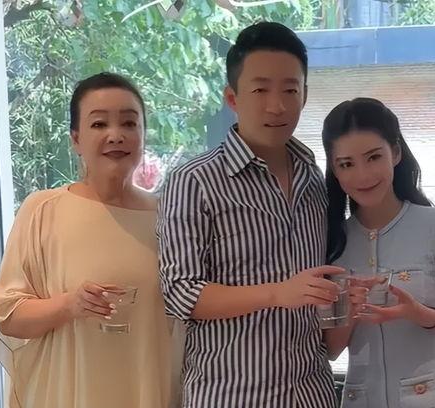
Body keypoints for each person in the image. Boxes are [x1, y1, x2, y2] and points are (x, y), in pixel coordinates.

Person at [157, 21, 362, 408]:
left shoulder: (313, 177)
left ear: (304, 95)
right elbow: (180, 293)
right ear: (232, 98)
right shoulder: (194, 180)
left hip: (311, 392)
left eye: (290, 90)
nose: (277, 105)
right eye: (260, 89)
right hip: (231, 395)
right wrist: (277, 293)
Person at [0, 72, 172, 408]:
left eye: (129, 124)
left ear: (143, 134)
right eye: (99, 124)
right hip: (66, 395)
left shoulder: (171, 215)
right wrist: (71, 304)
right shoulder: (43, 210)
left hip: (150, 390)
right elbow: (8, 317)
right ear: (75, 139)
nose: (116, 135)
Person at [321, 97, 435, 407]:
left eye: (373, 157)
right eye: (347, 164)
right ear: (334, 170)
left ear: (395, 152)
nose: (363, 175)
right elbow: (331, 351)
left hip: (430, 397)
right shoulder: (331, 240)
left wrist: (418, 313)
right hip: (360, 398)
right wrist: (349, 309)